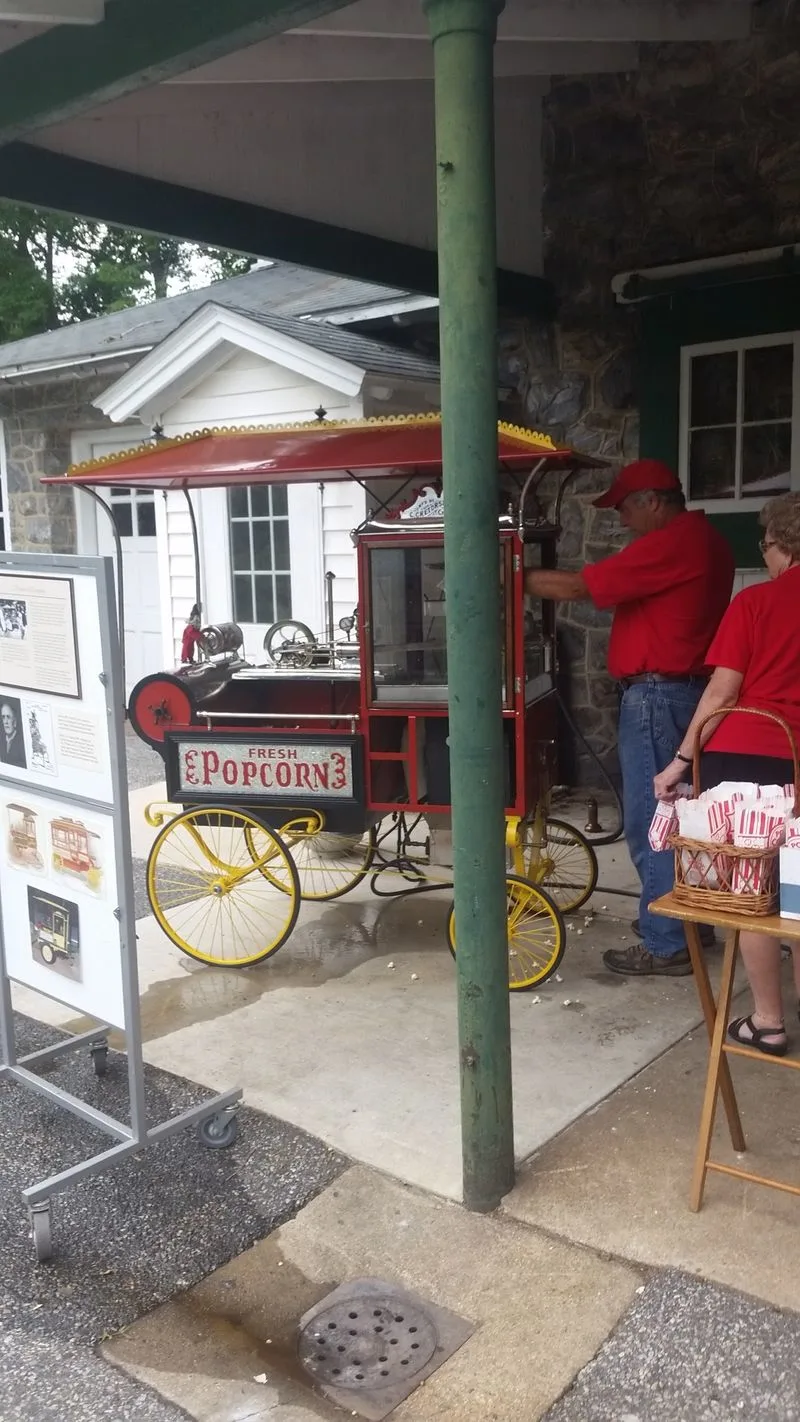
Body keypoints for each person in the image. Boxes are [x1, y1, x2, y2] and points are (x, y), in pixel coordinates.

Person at [526, 457, 734, 976]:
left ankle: (666, 943)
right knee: (681, 818)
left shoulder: (674, 542)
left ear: (653, 501)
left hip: (658, 695)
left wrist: (510, 570)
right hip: (679, 692)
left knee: (652, 821)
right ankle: (687, 923)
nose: (621, 519)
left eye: (624, 507)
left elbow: (578, 588)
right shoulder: (704, 539)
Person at [654, 492, 800, 1054]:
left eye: (765, 546)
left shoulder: (756, 603)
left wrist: (680, 761)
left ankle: (768, 1020)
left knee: (749, 890)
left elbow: (722, 690)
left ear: (782, 546)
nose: (764, 557)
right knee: (796, 890)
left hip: (746, 756)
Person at [0, 701, 26, 767]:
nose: (5, 722)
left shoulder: (22, 742)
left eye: (8, 717)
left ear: (15, 720)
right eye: (3, 717)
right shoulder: (1, 740)